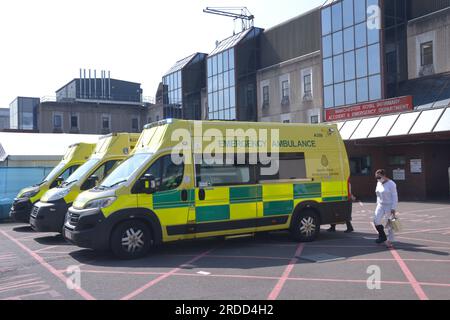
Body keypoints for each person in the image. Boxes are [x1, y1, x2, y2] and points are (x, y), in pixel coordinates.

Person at [373, 169, 398, 245]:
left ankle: (390, 241)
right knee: (376, 220)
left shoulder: (391, 184)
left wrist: (393, 208)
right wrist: (378, 204)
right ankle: (383, 237)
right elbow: (378, 195)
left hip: (389, 206)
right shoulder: (378, 183)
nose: (378, 179)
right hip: (380, 205)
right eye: (376, 177)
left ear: (384, 176)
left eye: (379, 177)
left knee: (390, 224)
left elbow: (395, 196)